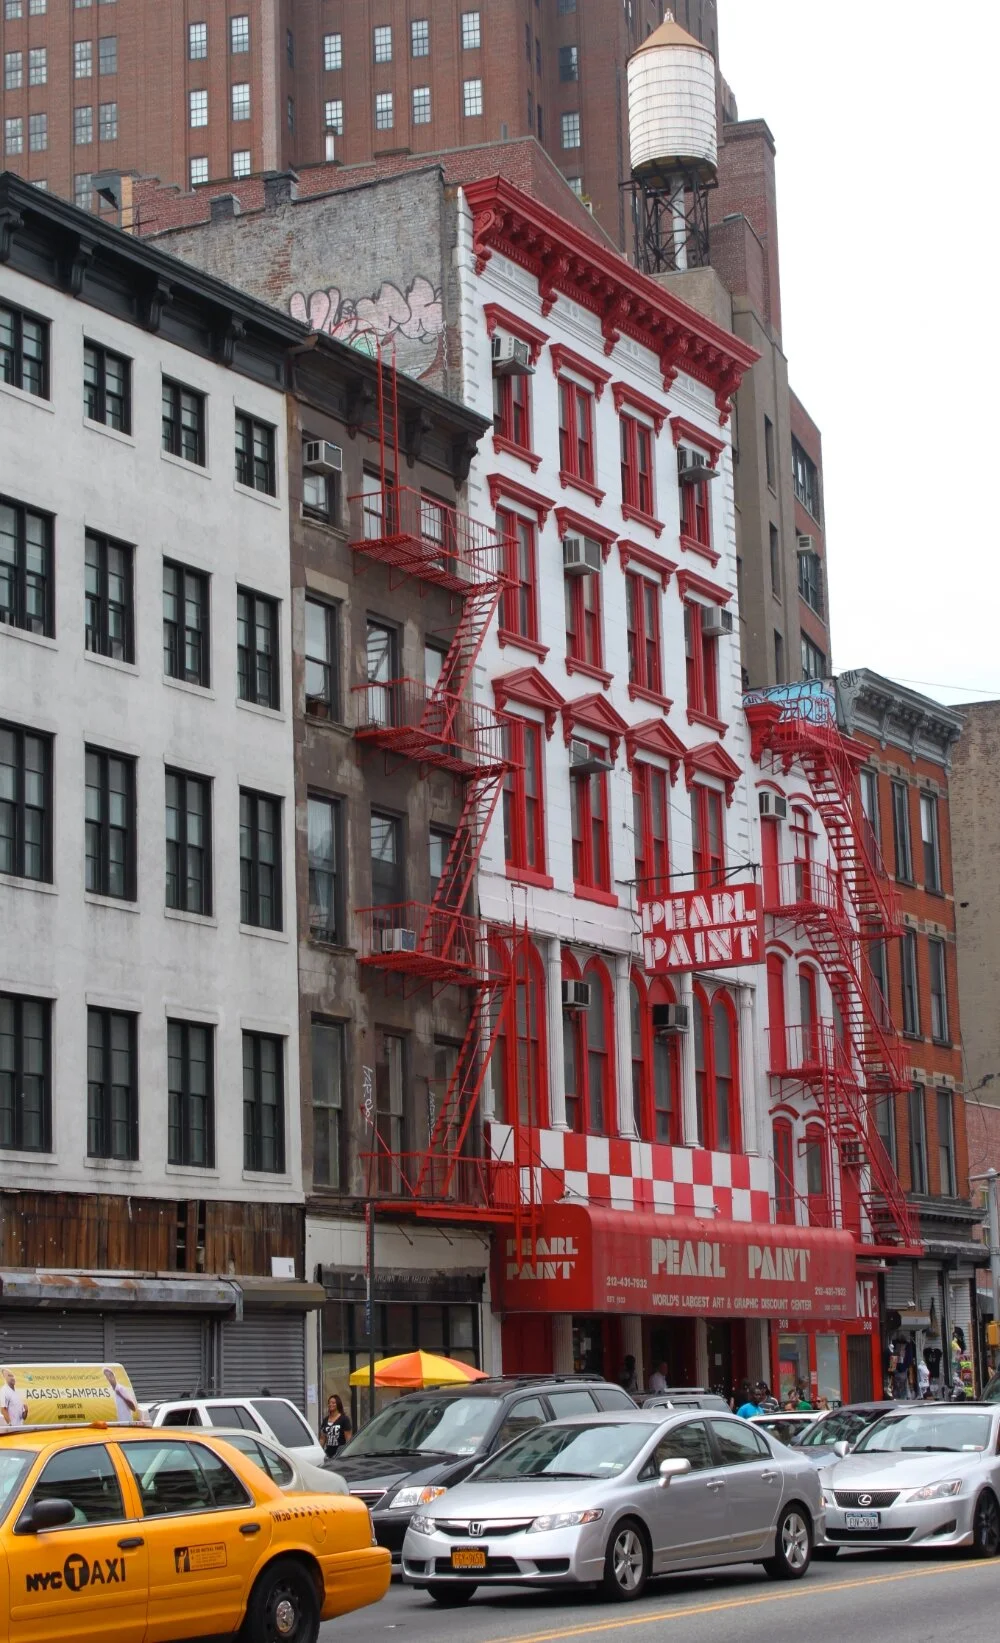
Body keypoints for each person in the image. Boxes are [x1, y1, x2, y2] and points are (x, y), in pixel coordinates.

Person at [320, 1393, 352, 1457]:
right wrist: (320, 1452)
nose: (330, 1404)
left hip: (340, 1455)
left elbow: (348, 1440)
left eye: (333, 1403)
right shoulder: (325, 1420)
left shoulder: (344, 1419)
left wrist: (346, 1454)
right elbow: (322, 1439)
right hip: (328, 1454)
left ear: (338, 1404)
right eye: (329, 1403)